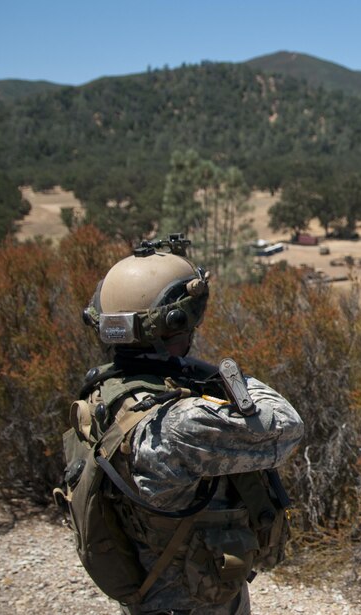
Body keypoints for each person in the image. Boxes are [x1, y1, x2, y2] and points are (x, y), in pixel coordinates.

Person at [69, 235, 303, 615]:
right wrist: (224, 377)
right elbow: (285, 427)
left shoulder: (106, 396)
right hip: (194, 600)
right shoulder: (180, 425)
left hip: (152, 586)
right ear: (178, 323)